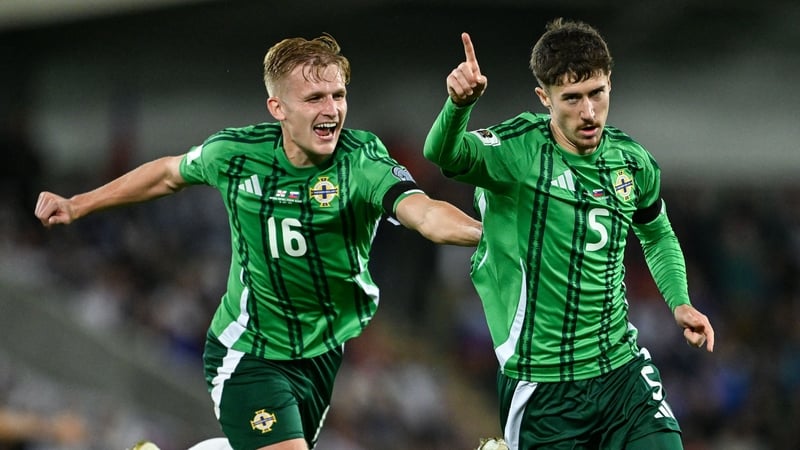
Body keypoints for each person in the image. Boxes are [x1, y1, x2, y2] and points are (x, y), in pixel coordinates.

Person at [35, 33, 482, 450]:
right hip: (249, 351)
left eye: (338, 95)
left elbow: (422, 212)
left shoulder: (362, 161)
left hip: (321, 355)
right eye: (314, 98)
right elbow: (169, 173)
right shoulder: (237, 155)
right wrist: (79, 204)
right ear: (278, 107)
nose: (331, 110)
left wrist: (487, 235)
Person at [423, 19, 715, 450]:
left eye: (596, 93)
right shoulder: (516, 150)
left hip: (620, 369)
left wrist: (680, 301)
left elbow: (656, 233)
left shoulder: (632, 161)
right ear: (544, 98)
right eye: (572, 99)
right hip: (544, 385)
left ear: (610, 83)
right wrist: (457, 106)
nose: (589, 112)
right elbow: (442, 154)